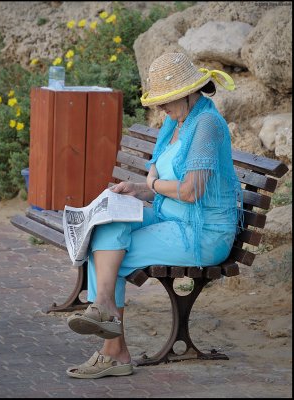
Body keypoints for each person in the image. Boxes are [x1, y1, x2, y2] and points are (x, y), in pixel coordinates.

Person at [65, 52, 243, 379]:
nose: (160, 108)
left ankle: (113, 351)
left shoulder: (207, 124)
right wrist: (137, 189)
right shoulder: (176, 123)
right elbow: (160, 187)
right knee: (104, 231)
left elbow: (191, 191)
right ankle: (104, 311)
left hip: (203, 233)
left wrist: (153, 184)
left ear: (190, 92)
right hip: (169, 220)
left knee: (109, 256)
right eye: (158, 102)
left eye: (166, 100)